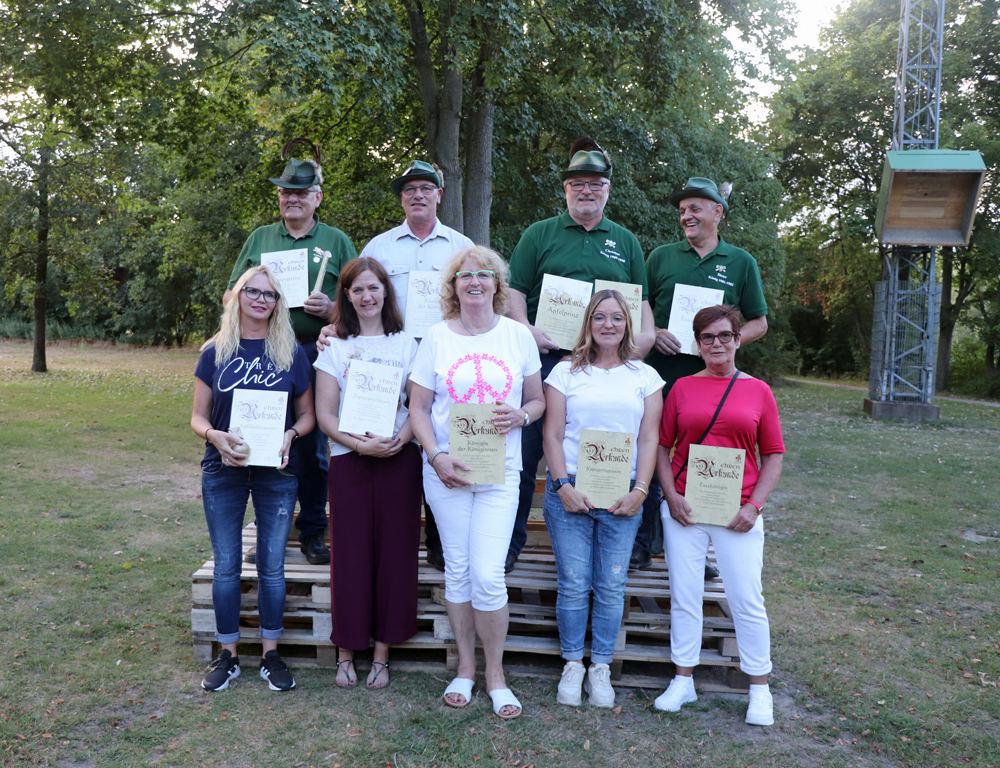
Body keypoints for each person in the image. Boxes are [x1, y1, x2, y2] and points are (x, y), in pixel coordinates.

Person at [505, 137, 656, 572]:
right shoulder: (540, 234)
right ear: (566, 189)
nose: (586, 190)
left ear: (607, 189)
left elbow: (641, 305)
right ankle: (514, 544)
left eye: (595, 183)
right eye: (577, 184)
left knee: (619, 446)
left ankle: (627, 545)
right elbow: (515, 293)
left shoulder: (625, 241)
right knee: (529, 450)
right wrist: (527, 330)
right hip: (552, 361)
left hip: (609, 365)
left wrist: (641, 342)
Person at [408, 246, 545, 720]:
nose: (474, 282)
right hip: (446, 473)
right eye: (464, 276)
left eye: (483, 275)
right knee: (459, 571)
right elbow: (419, 409)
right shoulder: (436, 338)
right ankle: (466, 669)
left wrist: (523, 415)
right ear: (453, 286)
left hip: (499, 474)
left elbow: (538, 399)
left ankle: (496, 675)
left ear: (496, 284)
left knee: (488, 576)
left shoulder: (517, 337)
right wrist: (436, 454)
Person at [653, 305, 784, 726]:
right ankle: (683, 679)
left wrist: (754, 506)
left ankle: (759, 688)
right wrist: (670, 496)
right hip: (686, 509)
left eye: (724, 336)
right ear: (697, 343)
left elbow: (774, 455)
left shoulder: (759, 391)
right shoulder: (682, 388)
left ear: (738, 339)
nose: (716, 344)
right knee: (685, 595)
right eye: (707, 337)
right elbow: (660, 446)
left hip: (738, 512)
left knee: (746, 598)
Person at [224, 154, 357, 565]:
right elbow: (231, 296)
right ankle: (270, 531)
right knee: (264, 441)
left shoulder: (336, 241)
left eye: (300, 192)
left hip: (314, 351)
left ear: (317, 198)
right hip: (263, 353)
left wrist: (331, 308)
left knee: (313, 445)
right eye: (285, 192)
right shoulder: (259, 239)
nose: (291, 199)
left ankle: (313, 530)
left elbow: (362, 301)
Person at [632, 177, 769, 571]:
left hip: (714, 384)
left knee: (705, 457)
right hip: (661, 375)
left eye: (695, 208)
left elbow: (759, 322)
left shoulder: (741, 262)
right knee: (651, 450)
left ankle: (704, 543)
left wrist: (725, 344)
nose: (687, 215)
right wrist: (655, 332)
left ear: (717, 213)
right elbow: (640, 312)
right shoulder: (659, 257)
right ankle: (644, 543)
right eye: (682, 210)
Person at [192, 265, 316, 692]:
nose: (261, 299)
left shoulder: (290, 352)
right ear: (238, 295)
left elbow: (308, 414)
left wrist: (291, 433)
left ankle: (270, 654)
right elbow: (197, 416)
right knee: (226, 566)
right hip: (223, 468)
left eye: (270, 295)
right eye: (254, 291)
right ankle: (228, 655)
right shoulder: (215, 351)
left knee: (272, 567)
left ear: (278, 303)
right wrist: (214, 435)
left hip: (276, 472)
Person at [542, 290, 664, 708]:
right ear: (587, 323)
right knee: (574, 583)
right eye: (599, 317)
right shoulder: (564, 372)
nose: (608, 324)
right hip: (571, 486)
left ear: (628, 324)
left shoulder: (645, 377)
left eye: (616, 317)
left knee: (611, 584)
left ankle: (601, 667)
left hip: (624, 490)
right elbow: (552, 435)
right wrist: (562, 485)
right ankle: (573, 663)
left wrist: (641, 492)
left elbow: (650, 439)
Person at [354, 160, 474, 571]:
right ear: (401, 198)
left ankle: (441, 542)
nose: (417, 195)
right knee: (394, 444)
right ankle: (393, 540)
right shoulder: (379, 248)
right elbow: (359, 298)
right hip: (391, 361)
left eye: (426, 188)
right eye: (409, 190)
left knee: (441, 439)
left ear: (440, 194)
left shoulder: (461, 247)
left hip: (446, 360)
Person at [314, 258, 421, 690]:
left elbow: (420, 404)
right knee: (350, 555)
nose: (367, 296)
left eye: (374, 288)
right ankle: (346, 650)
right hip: (350, 460)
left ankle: (381, 654)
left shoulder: (407, 345)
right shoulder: (334, 347)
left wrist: (402, 438)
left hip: (399, 458)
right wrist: (359, 444)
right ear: (347, 295)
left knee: (396, 556)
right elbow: (324, 413)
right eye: (357, 289)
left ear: (386, 292)